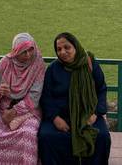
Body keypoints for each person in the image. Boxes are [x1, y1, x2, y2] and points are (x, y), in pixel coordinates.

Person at [38, 33, 110, 165]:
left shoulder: (90, 64)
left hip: (88, 114)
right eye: (59, 49)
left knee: (102, 137)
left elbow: (101, 89)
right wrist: (55, 118)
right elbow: (46, 97)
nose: (63, 52)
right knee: (46, 137)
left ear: (75, 46)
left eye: (67, 47)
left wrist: (96, 113)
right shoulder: (53, 69)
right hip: (61, 116)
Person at [0, 33, 45, 165]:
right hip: (3, 110)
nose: (28, 55)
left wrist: (14, 112)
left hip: (28, 112)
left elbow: (34, 96)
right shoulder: (6, 62)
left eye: (30, 50)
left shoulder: (38, 64)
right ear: (15, 52)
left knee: (28, 134)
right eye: (23, 52)